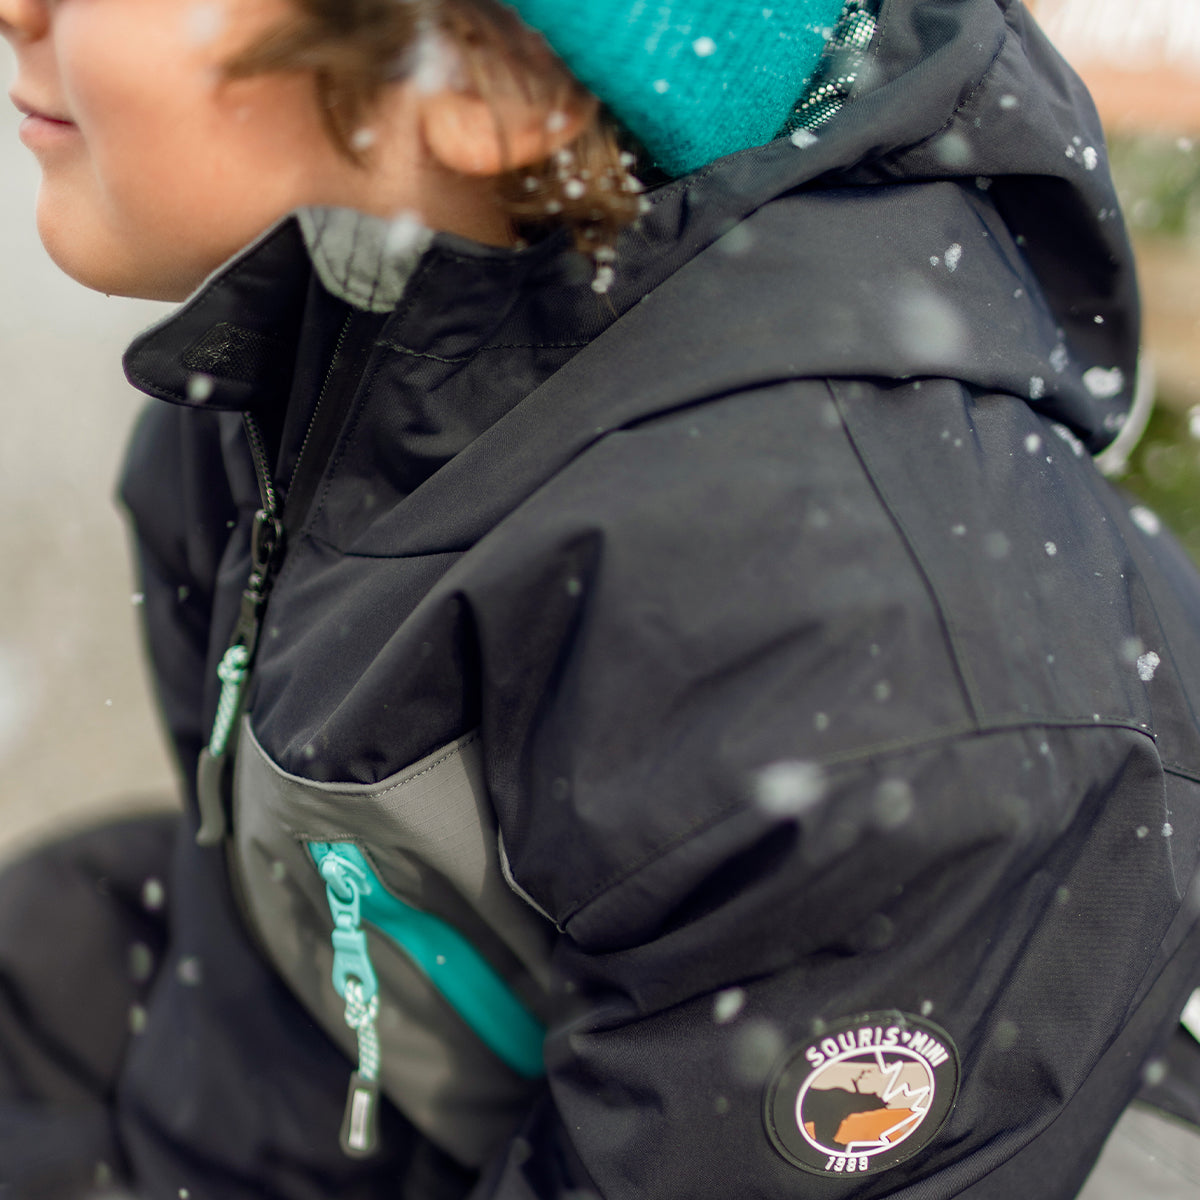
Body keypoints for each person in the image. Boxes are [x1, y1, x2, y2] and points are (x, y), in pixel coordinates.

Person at [2, 0, 1200, 1196]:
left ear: (487, 85)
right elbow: (273, 998)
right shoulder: (303, 356)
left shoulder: (851, 682)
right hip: (468, 1066)